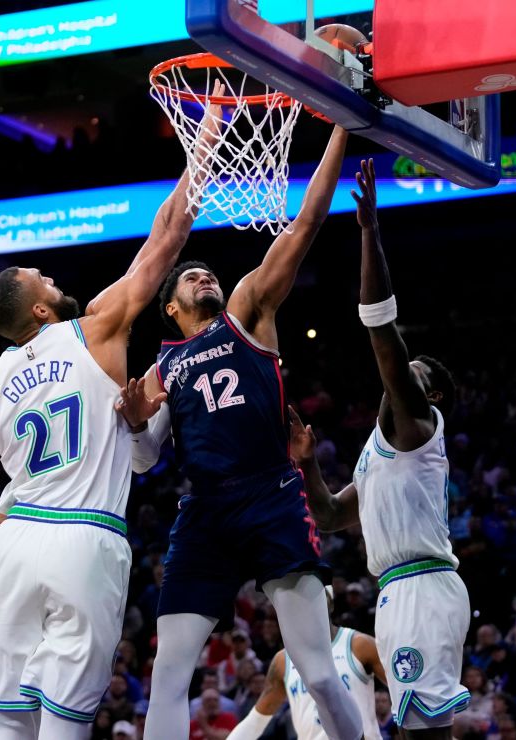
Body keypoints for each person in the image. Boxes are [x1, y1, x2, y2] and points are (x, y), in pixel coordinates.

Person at [0, 88, 227, 740]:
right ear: (40, 310)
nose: (51, 277)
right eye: (41, 277)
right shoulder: (93, 327)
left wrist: (27, 530)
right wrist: (212, 127)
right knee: (67, 726)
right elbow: (169, 233)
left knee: (12, 725)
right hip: (86, 537)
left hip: (16, 546)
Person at [122, 125, 359, 740]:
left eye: (207, 275)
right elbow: (146, 461)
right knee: (170, 668)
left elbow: (304, 223)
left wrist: (341, 128)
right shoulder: (161, 369)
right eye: (189, 278)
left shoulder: (248, 310)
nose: (203, 277)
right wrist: (131, 425)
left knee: (317, 669)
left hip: (271, 494)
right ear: (169, 308)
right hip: (204, 511)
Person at [293, 158, 468, 737]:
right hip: (396, 592)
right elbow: (330, 515)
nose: (401, 373)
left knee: (428, 733)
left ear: (432, 393)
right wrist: (307, 462)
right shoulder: (378, 448)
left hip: (423, 585)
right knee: (417, 728)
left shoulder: (420, 424)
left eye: (413, 372)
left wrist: (369, 233)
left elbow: (380, 330)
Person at [226, 587, 386, 739]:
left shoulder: (358, 645)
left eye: (315, 598)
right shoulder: (283, 661)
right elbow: (257, 720)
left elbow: (401, 690)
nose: (309, 605)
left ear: (330, 604)